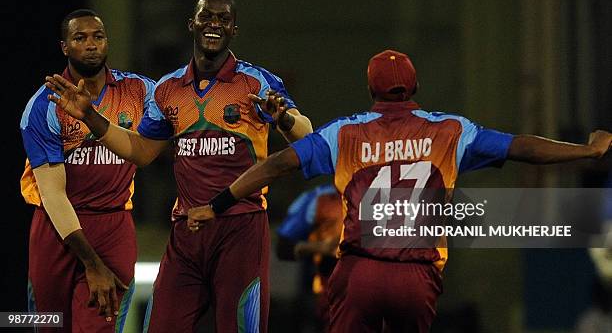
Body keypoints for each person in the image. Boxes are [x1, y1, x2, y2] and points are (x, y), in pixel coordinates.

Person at [187, 49, 612, 332]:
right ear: (416, 88)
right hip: (418, 276)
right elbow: (522, 147)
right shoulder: (450, 130)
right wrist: (587, 150)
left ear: (370, 90)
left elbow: (278, 164)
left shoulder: (345, 132)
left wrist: (217, 203)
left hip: (359, 274)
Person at [44, 0, 313, 332]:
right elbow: (141, 151)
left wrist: (284, 119)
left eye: (223, 19)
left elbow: (306, 135)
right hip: (186, 232)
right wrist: (91, 117)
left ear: (234, 30)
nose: (214, 24)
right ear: (192, 25)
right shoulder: (168, 88)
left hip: (240, 229)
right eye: (207, 17)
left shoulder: (257, 82)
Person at [20, 9, 153, 332]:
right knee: (48, 325)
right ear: (65, 46)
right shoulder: (43, 105)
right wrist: (92, 263)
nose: (91, 44)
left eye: (98, 36)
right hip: (57, 229)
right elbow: (53, 196)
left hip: (114, 224)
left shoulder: (141, 92)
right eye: (80, 38)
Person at [276, 184, 343, 331]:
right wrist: (322, 247)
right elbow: (283, 247)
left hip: (371, 294)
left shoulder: (381, 193)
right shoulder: (320, 198)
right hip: (324, 294)